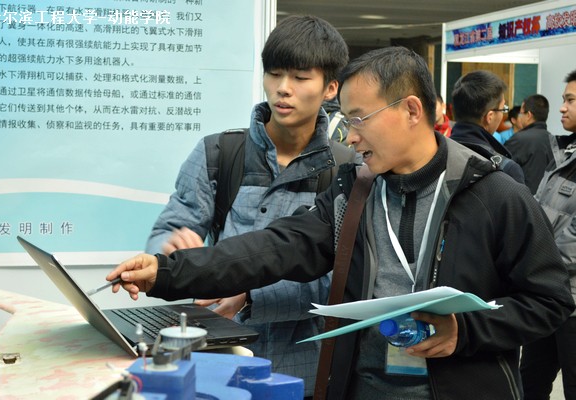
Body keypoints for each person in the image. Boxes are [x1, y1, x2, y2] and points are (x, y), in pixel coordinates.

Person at [107, 47, 574, 399]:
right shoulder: (356, 191)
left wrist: (465, 331)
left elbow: (549, 300)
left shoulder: (495, 195)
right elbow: (277, 246)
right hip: (362, 386)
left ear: (412, 110)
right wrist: (168, 271)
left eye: (359, 119)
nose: (349, 137)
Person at [144, 15, 357, 398]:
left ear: (330, 88)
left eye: (300, 77)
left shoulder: (346, 169)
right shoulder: (219, 153)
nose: (283, 88)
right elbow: (168, 229)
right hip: (217, 367)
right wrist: (172, 251)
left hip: (303, 377)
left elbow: (343, 282)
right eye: (274, 74)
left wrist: (250, 294)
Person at [520, 69, 576, 399]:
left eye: (570, 100)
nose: (562, 108)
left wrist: (536, 260)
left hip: (570, 303)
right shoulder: (562, 154)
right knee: (530, 383)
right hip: (548, 298)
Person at [449, 70, 525, 183]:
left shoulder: (435, 155)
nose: (502, 115)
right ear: (490, 116)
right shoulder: (506, 170)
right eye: (503, 109)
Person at [505, 94, 557, 194]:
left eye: (521, 113)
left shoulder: (519, 139)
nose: (520, 117)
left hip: (523, 198)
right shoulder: (554, 140)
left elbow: (501, 170)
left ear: (528, 115)